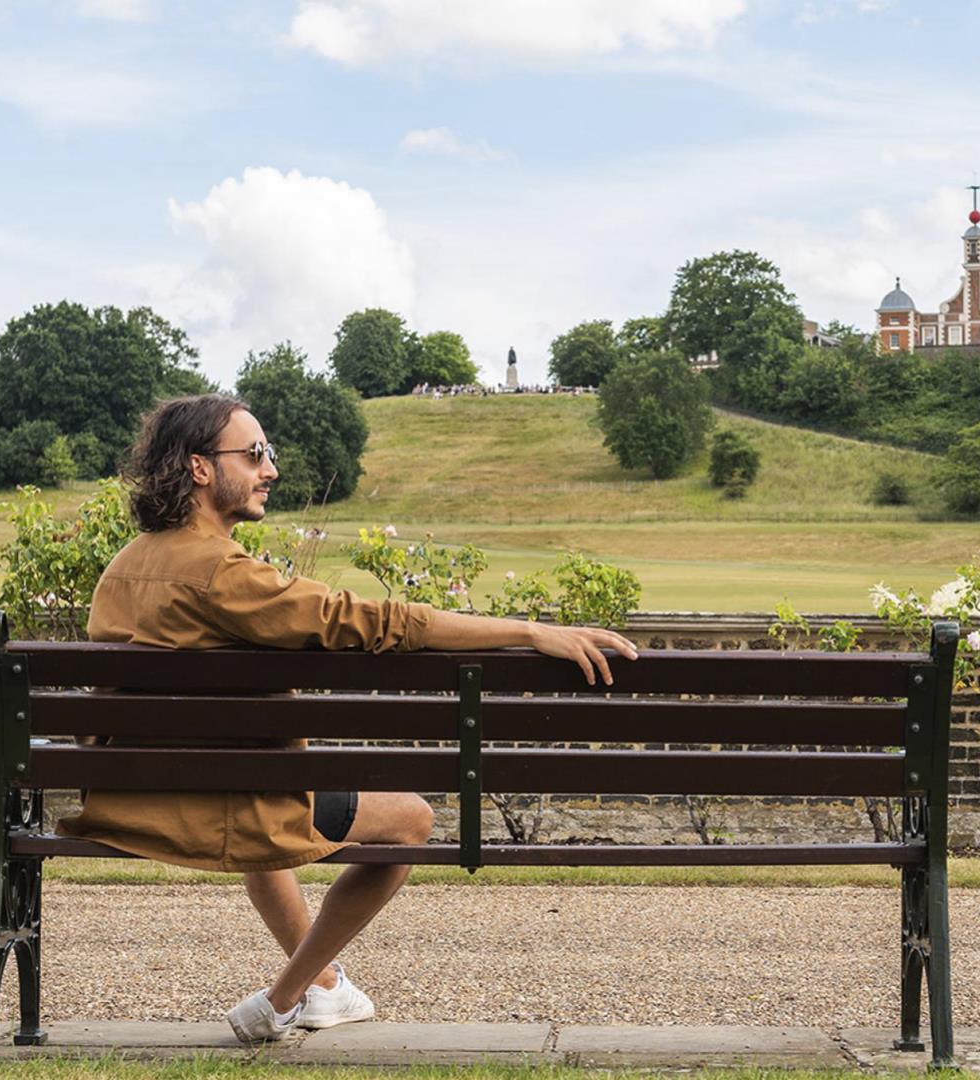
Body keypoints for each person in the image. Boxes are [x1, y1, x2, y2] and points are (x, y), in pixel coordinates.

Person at [54, 394, 637, 1042]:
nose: (269, 468)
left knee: (256, 780)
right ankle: (283, 998)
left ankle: (325, 988)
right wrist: (527, 631)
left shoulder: (125, 566)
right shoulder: (221, 573)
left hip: (134, 800)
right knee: (410, 819)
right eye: (253, 455)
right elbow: (373, 621)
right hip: (226, 806)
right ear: (197, 468)